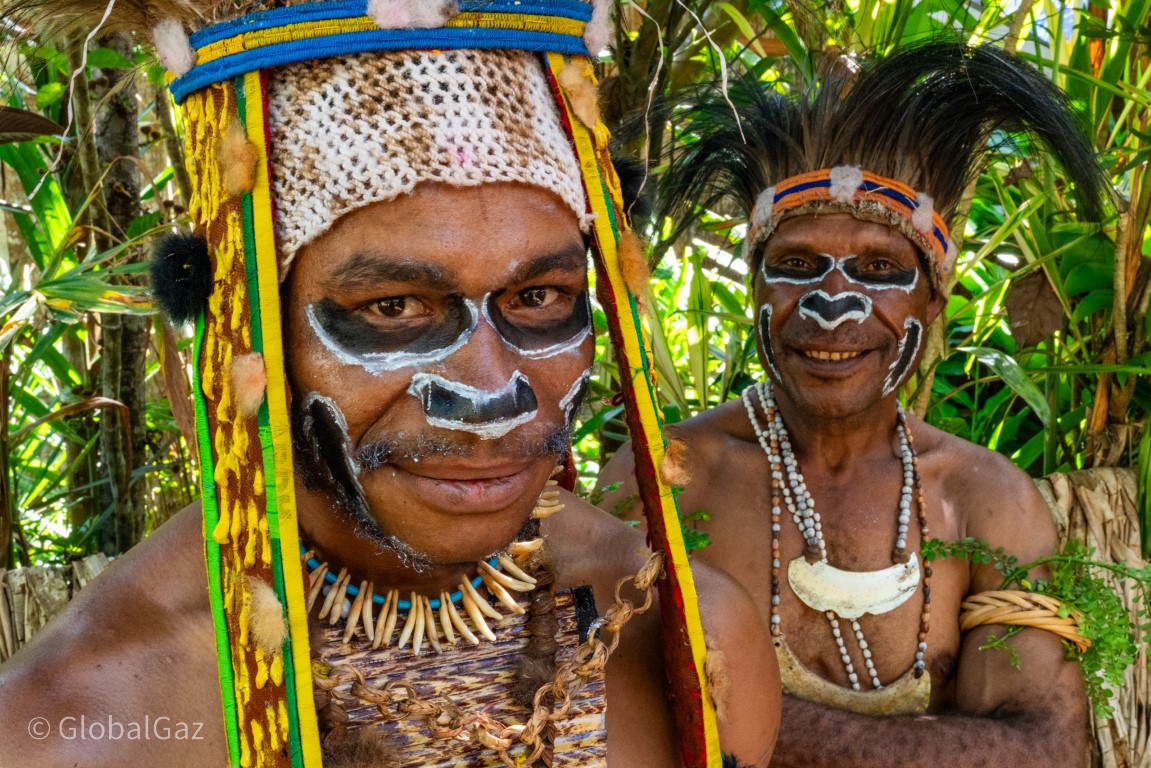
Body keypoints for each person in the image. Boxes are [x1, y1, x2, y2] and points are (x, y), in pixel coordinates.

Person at [0, 2, 779, 766]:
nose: (489, 396)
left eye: (537, 297)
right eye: (392, 307)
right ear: (246, 326)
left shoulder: (690, 641)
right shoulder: (78, 725)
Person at [599, 42, 1107, 767]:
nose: (833, 305)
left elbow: (1043, 750)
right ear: (757, 292)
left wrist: (725, 703)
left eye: (877, 270)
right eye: (797, 266)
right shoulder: (665, 477)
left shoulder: (986, 500)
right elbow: (608, 712)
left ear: (931, 300)